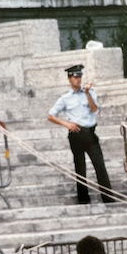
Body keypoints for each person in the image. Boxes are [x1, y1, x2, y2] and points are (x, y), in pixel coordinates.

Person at [47, 64, 114, 204]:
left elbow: (94, 109)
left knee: (99, 164)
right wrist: (67, 124)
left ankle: (108, 198)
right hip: (76, 133)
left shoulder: (89, 92)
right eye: (75, 77)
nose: (78, 80)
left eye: (79, 77)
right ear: (69, 79)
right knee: (80, 167)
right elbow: (51, 116)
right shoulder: (65, 98)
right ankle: (83, 199)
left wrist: (88, 93)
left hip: (90, 132)